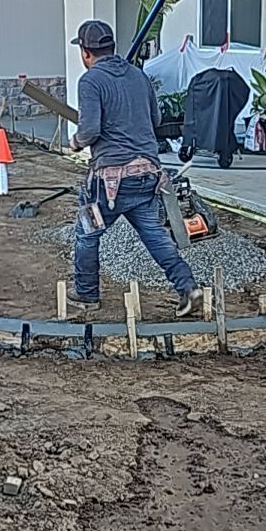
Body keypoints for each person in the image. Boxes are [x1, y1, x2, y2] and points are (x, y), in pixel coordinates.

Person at [67, 19, 202, 317]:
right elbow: (154, 121)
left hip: (109, 182)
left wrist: (75, 142)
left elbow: (89, 130)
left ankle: (87, 295)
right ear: (111, 47)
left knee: (87, 233)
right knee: (155, 235)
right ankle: (188, 287)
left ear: (86, 53)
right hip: (147, 176)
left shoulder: (90, 81)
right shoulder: (138, 76)